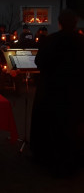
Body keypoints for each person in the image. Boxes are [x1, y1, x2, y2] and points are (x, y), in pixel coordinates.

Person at [31, 9, 84, 176]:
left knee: (53, 126)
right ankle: (74, 161)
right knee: (73, 126)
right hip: (76, 92)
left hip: (52, 91)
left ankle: (50, 159)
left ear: (60, 23)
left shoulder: (51, 40)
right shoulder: (81, 41)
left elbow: (39, 62)